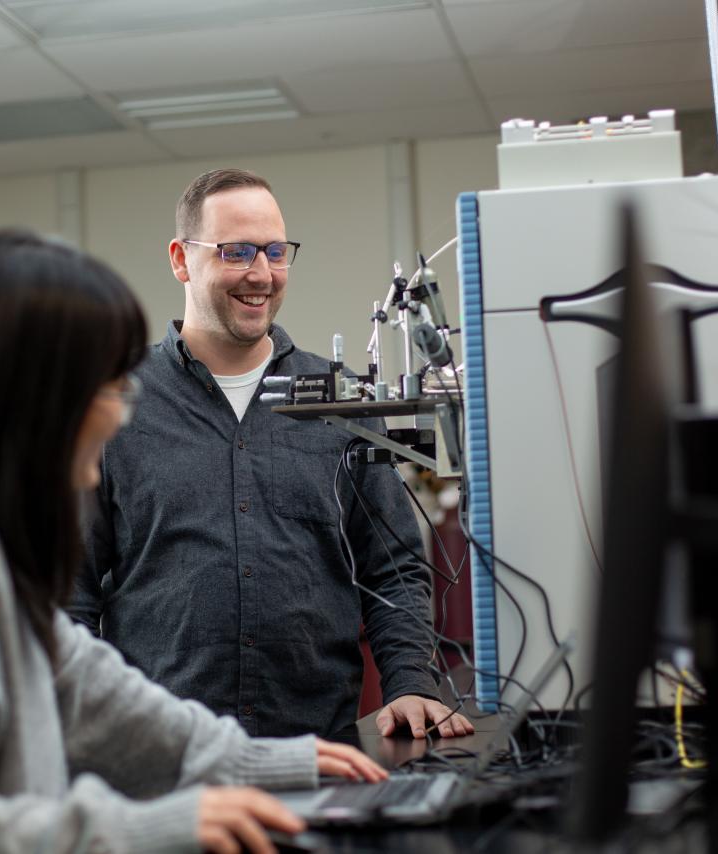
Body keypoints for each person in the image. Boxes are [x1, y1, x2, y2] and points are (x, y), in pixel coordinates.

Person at [0, 230, 385, 853]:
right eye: (109, 387)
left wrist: (257, 763)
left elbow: (82, 686)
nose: (123, 412)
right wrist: (148, 827)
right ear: (33, 398)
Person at [70, 168, 474, 740]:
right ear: (181, 260)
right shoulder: (115, 404)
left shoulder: (343, 403)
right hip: (164, 759)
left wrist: (411, 680)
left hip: (319, 750)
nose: (261, 274)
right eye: (236, 252)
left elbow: (394, 566)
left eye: (275, 251)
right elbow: (72, 589)